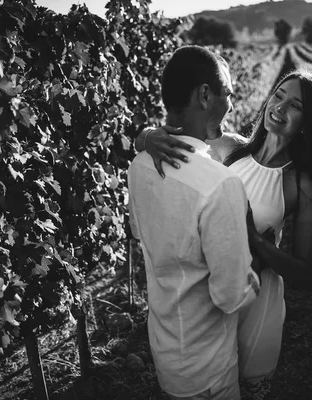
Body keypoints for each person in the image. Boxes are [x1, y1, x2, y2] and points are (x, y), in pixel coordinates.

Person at [135, 68, 312, 399]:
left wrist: (253, 240)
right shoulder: (232, 149)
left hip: (258, 305)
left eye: (296, 106)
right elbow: (164, 134)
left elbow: (306, 272)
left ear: (309, 122)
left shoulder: (300, 184)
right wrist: (148, 137)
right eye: (278, 96)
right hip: (212, 295)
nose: (280, 108)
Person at [128, 45, 262, 400]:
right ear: (205, 95)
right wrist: (255, 276)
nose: (231, 105)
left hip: (166, 353)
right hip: (209, 369)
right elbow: (230, 296)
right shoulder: (221, 184)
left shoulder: (139, 166)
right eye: (228, 94)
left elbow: (142, 235)